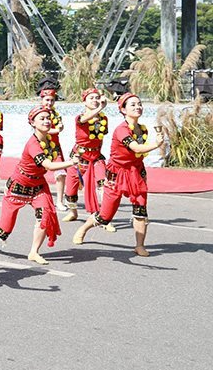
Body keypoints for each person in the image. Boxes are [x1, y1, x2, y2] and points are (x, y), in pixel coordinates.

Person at [0, 106, 82, 265]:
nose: (46, 121)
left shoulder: (50, 142)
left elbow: (56, 161)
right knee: (4, 229)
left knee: (45, 215)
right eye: (42, 118)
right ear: (33, 123)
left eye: (47, 117)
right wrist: (71, 162)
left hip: (38, 185)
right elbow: (49, 165)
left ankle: (34, 252)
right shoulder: (33, 144)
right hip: (19, 185)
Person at [72, 93, 165, 257]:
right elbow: (136, 148)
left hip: (136, 172)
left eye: (139, 104)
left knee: (140, 209)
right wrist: (156, 144)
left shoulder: (142, 128)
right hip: (117, 173)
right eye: (133, 105)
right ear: (123, 110)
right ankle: (84, 228)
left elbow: (138, 154)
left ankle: (139, 245)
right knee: (105, 216)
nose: (138, 107)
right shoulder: (121, 130)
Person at [61, 87, 109, 223]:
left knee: (103, 184)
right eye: (91, 98)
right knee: (70, 190)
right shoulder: (80, 118)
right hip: (79, 157)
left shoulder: (103, 119)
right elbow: (85, 119)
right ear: (85, 102)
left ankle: (105, 217)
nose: (95, 100)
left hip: (96, 157)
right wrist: (100, 108)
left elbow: (101, 137)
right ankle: (73, 213)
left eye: (97, 97)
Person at [38, 87, 66, 204]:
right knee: (33, 174)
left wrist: (60, 127)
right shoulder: (38, 113)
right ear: (42, 100)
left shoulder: (55, 114)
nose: (49, 103)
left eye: (52, 100)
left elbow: (59, 126)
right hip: (41, 146)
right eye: (47, 100)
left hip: (54, 146)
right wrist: (56, 130)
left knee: (61, 173)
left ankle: (59, 201)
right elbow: (40, 130)